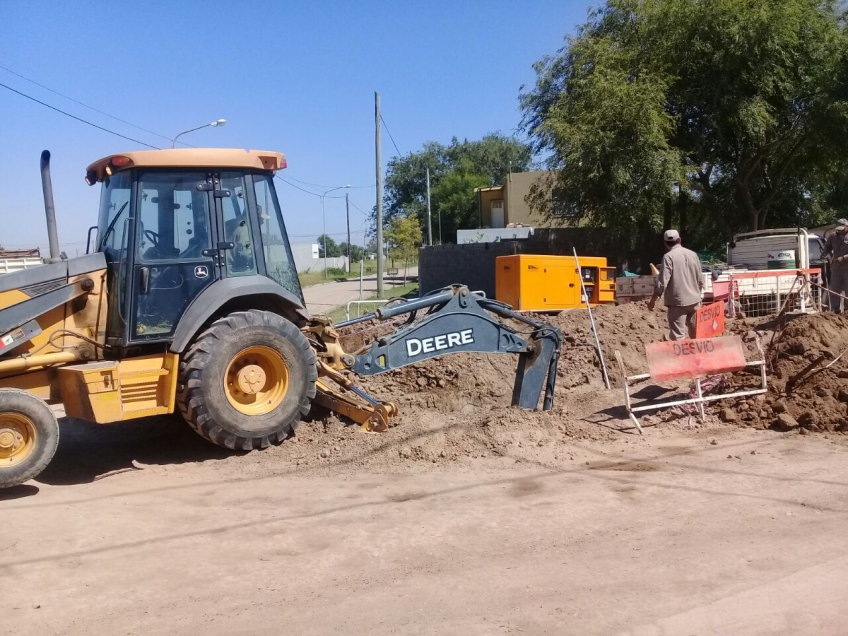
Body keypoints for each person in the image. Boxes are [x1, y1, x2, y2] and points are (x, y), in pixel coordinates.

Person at [647, 229, 704, 340]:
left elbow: (662, 282)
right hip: (695, 300)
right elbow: (700, 280)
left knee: (678, 338)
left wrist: (653, 300)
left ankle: (683, 358)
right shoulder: (693, 255)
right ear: (680, 240)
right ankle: (698, 357)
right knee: (697, 334)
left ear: (665, 243)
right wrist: (697, 294)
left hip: (678, 303)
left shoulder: (668, 257)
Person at [824, 219, 848, 313]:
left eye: (842, 228)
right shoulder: (833, 236)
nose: (839, 230)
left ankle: (847, 311)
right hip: (836, 268)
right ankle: (835, 310)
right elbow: (827, 246)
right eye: (838, 229)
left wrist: (844, 258)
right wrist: (825, 253)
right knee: (834, 288)